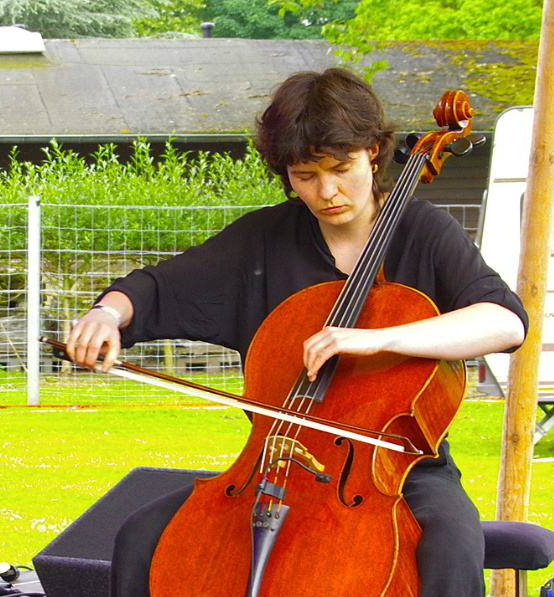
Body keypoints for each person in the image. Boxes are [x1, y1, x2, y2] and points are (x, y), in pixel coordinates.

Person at [63, 68, 525, 597]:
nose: (327, 191)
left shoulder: (423, 233)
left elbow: (504, 320)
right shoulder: (264, 239)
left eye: (341, 167)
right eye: (305, 175)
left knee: (447, 549)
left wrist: (377, 337)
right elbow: (156, 287)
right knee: (142, 537)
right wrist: (106, 313)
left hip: (398, 472)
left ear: (373, 151)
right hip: (272, 463)